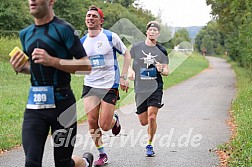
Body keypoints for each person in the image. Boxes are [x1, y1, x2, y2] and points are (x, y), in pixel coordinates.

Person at [9, 0, 94, 166]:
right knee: (31, 162)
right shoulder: (25, 33)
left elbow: (86, 66)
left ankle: (84, 162)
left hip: (63, 106)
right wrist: (20, 67)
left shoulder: (64, 29)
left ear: (51, 1)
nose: (32, 1)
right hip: (35, 107)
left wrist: (53, 61)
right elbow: (34, 67)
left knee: (63, 163)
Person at [80, 5, 131, 167]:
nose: (90, 18)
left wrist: (123, 77)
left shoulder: (110, 37)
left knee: (105, 125)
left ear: (101, 21)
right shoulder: (82, 41)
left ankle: (114, 119)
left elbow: (126, 54)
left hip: (109, 84)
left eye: (94, 16)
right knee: (91, 121)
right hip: (90, 84)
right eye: (88, 16)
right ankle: (102, 154)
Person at [129, 20, 169, 157]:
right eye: (150, 30)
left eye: (155, 31)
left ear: (158, 34)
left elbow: (167, 71)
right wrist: (130, 71)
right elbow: (127, 62)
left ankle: (149, 144)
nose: (152, 32)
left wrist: (161, 69)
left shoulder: (162, 50)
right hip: (140, 87)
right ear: (146, 32)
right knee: (143, 121)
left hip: (155, 87)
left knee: (152, 116)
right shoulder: (136, 47)